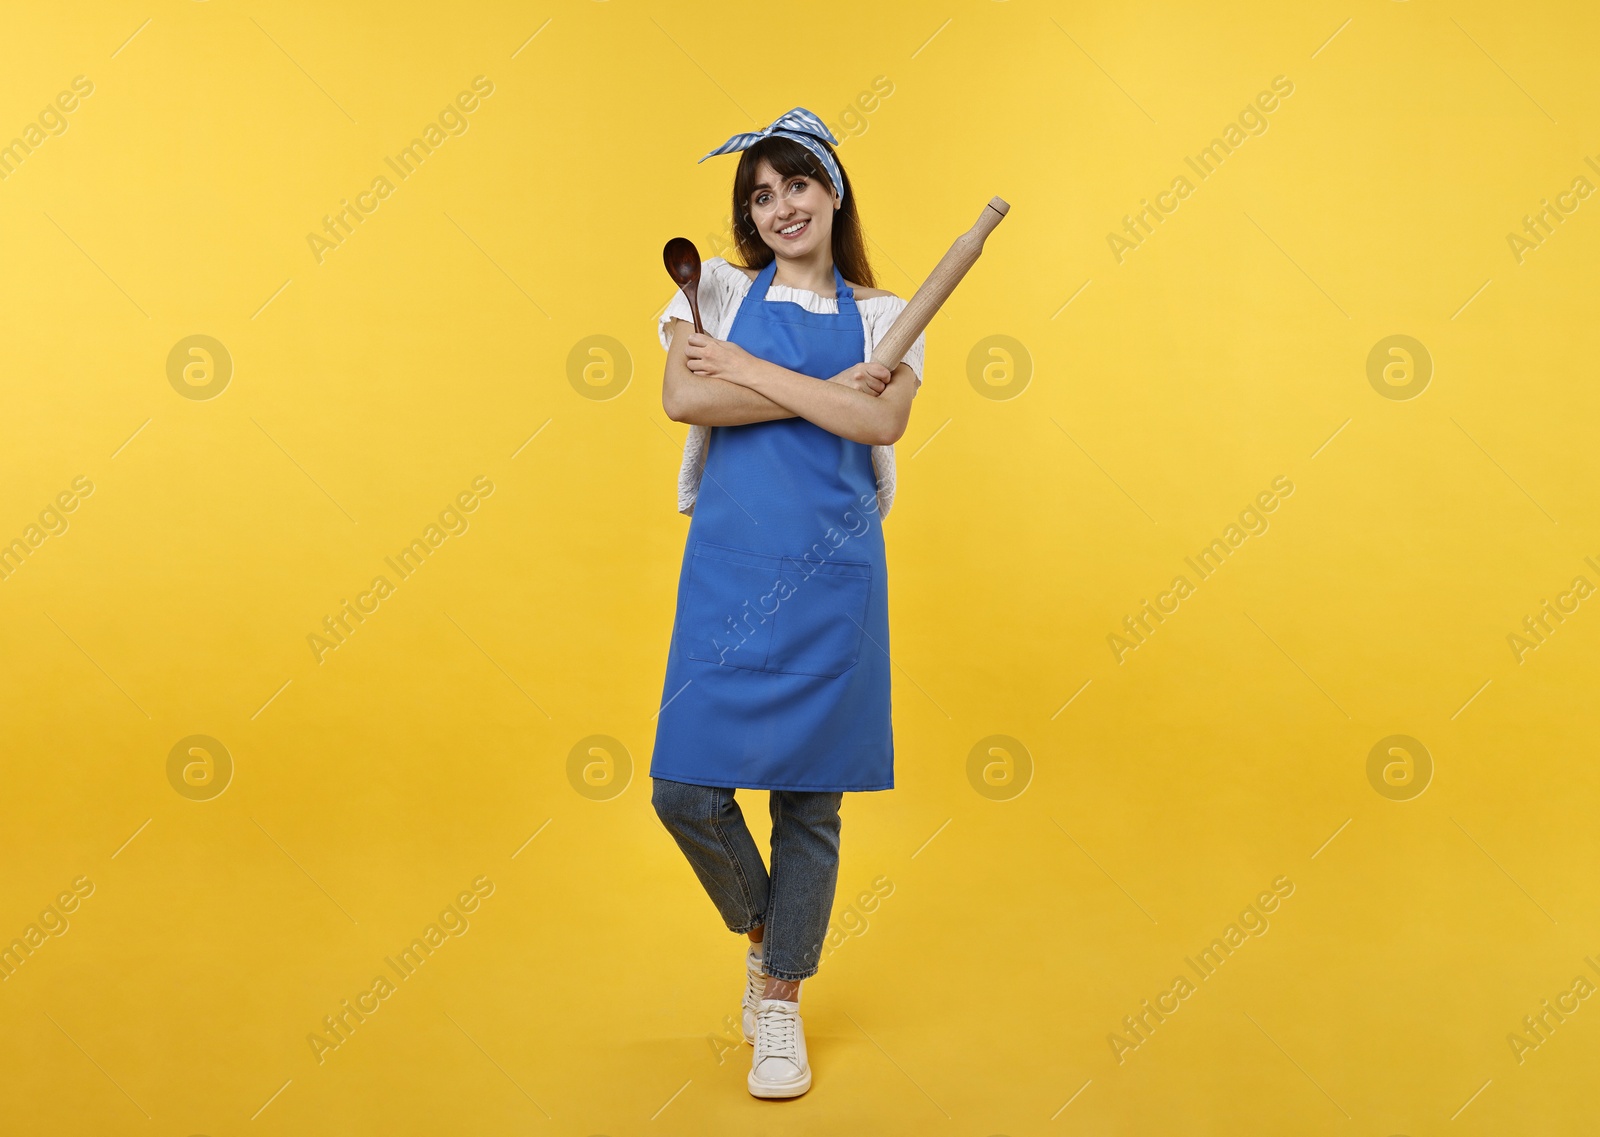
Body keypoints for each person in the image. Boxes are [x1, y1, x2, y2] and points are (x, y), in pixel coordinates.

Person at [648, 108, 925, 1100]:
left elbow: (880, 416)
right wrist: (825, 392)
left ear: (834, 190)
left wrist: (756, 372)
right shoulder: (710, 290)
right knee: (682, 791)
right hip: (729, 572)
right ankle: (771, 934)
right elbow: (688, 401)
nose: (778, 208)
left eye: (795, 185)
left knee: (810, 805)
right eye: (758, 196)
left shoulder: (891, 316)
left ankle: (778, 1004)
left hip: (832, 575)